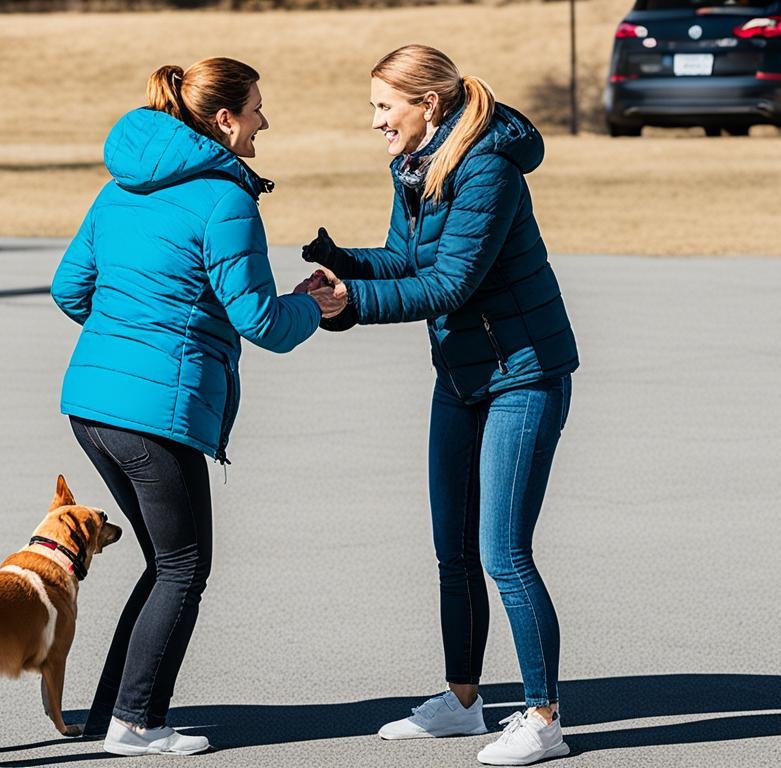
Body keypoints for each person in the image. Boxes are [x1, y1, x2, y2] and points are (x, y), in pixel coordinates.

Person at [51, 57, 345, 757]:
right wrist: (314, 304)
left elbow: (70, 291)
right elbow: (261, 322)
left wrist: (134, 328)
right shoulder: (224, 199)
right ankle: (136, 724)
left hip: (90, 404)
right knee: (185, 567)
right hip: (156, 412)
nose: (264, 121)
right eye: (256, 108)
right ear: (223, 119)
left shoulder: (118, 188)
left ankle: (110, 714)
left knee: (165, 561)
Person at [302, 44, 580, 766]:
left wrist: (351, 305)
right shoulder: (415, 164)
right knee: (451, 550)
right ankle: (462, 703)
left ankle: (545, 717)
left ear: (429, 104)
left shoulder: (485, 165)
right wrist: (351, 260)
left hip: (524, 374)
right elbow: (410, 256)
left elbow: (451, 282)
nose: (375, 122)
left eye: (384, 107)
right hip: (462, 375)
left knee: (502, 553)